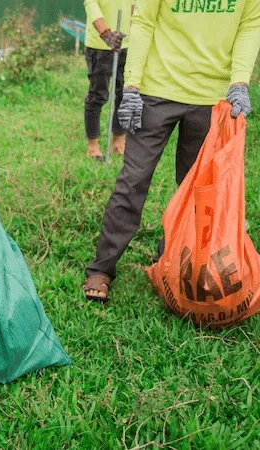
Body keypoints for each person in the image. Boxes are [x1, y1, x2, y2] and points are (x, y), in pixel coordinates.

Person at [82, 0, 260, 303]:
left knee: (200, 191)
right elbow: (144, 23)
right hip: (156, 92)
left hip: (212, 98)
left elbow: (250, 25)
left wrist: (240, 82)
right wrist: (132, 87)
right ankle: (101, 268)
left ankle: (177, 256)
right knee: (133, 180)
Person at [83, 0, 134, 160]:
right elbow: (90, 4)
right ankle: (93, 146)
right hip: (100, 46)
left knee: (124, 94)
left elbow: (135, 8)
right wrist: (106, 34)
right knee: (97, 95)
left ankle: (118, 141)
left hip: (126, 44)